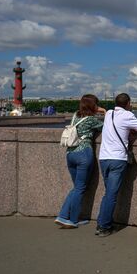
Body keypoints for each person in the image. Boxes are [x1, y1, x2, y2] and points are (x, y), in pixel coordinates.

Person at [96, 93, 137, 237]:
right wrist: (131, 135)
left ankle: (102, 221)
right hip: (117, 159)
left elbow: (102, 110)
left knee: (108, 193)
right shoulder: (128, 116)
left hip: (104, 158)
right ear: (128, 103)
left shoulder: (109, 114)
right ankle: (104, 227)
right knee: (111, 195)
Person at [55, 94, 105, 229]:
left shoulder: (75, 115)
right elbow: (106, 126)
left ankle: (64, 217)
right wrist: (105, 111)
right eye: (96, 104)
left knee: (77, 187)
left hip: (70, 154)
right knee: (80, 188)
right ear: (93, 105)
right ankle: (71, 219)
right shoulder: (91, 120)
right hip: (84, 154)